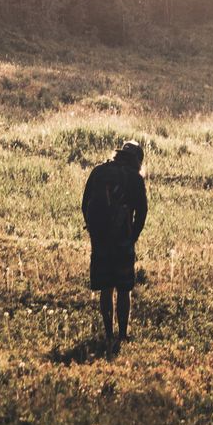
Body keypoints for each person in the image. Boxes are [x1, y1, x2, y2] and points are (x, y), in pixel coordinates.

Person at [81, 140, 148, 350]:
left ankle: (108, 333)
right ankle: (122, 335)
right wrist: (132, 235)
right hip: (122, 240)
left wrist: (95, 231)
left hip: (100, 239)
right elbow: (142, 212)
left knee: (106, 288)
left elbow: (85, 204)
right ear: (138, 160)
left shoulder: (99, 172)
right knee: (124, 288)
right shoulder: (136, 179)